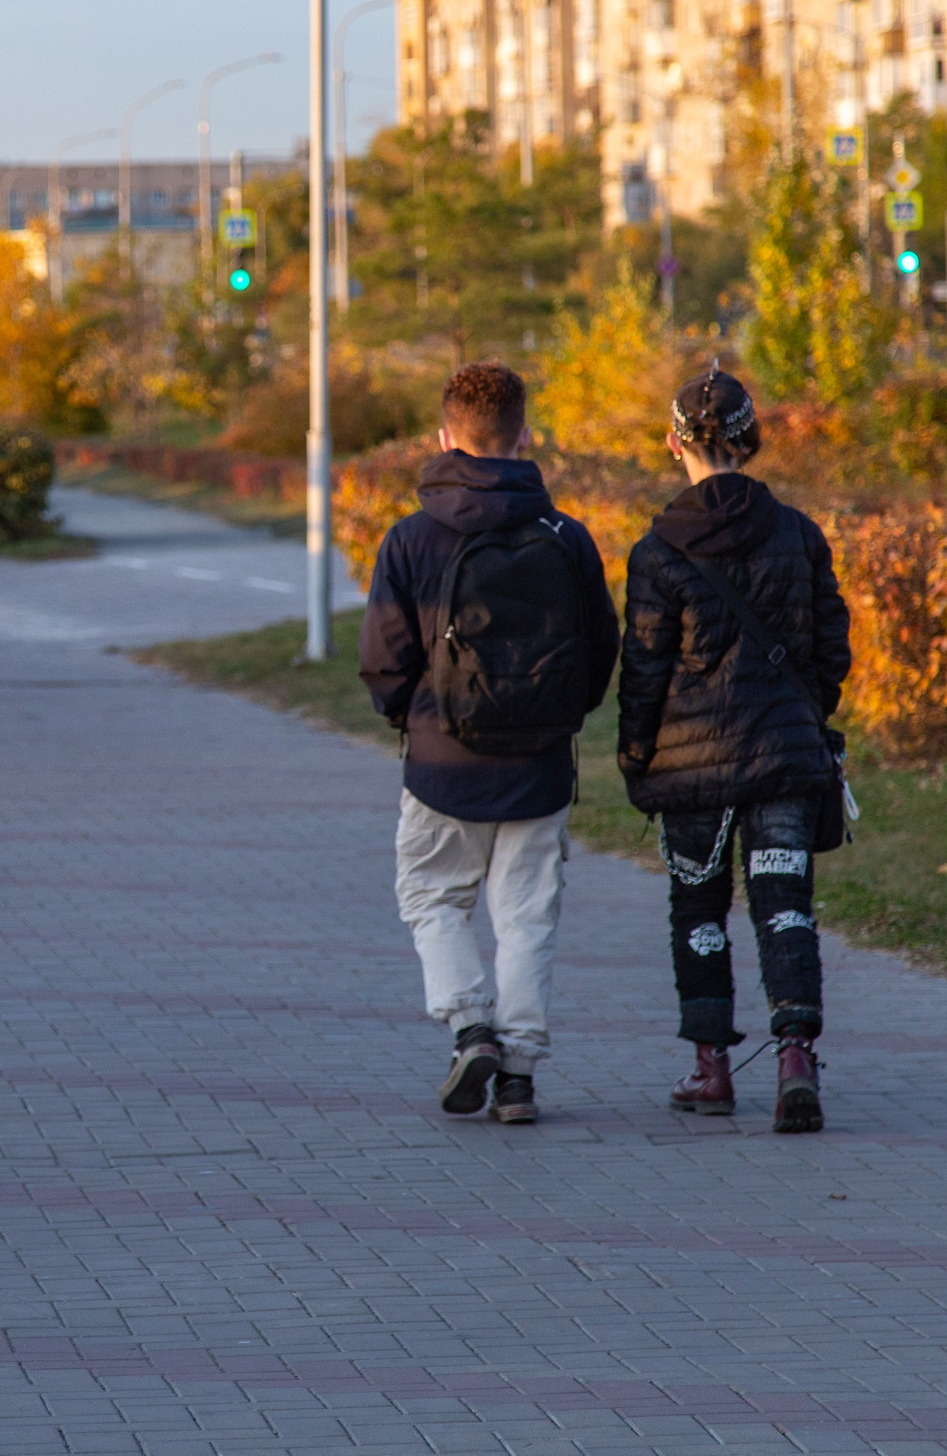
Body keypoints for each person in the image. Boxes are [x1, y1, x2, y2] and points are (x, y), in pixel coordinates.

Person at [359, 362, 621, 1125]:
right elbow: (597, 649)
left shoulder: (411, 540)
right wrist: (560, 716)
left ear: (445, 438)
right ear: (525, 436)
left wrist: (414, 720)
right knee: (527, 916)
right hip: (538, 764)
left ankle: (470, 1026)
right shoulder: (566, 538)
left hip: (442, 762)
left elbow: (383, 658)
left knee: (432, 896)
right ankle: (519, 1075)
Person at [617, 370, 852, 1134]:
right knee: (786, 904)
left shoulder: (656, 552)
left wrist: (635, 752)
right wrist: (808, 717)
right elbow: (830, 648)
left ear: (671, 442)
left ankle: (710, 1067)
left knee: (698, 907)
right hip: (784, 754)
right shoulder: (798, 532)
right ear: (751, 439)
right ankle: (794, 1057)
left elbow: (645, 666)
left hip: (689, 768)